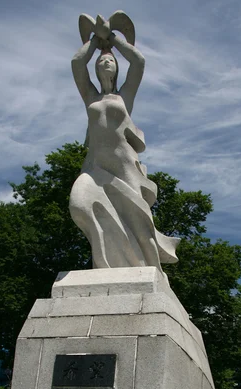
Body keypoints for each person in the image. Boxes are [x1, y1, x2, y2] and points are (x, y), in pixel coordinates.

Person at [70, 13, 180, 274]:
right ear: (96, 69)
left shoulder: (124, 98)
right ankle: (104, 264)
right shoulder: (90, 97)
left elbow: (138, 62)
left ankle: (153, 273)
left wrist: (114, 40)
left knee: (140, 224)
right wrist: (96, 41)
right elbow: (76, 63)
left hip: (124, 168)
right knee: (79, 205)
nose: (105, 64)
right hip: (94, 168)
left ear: (116, 68)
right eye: (101, 62)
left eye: (110, 61)